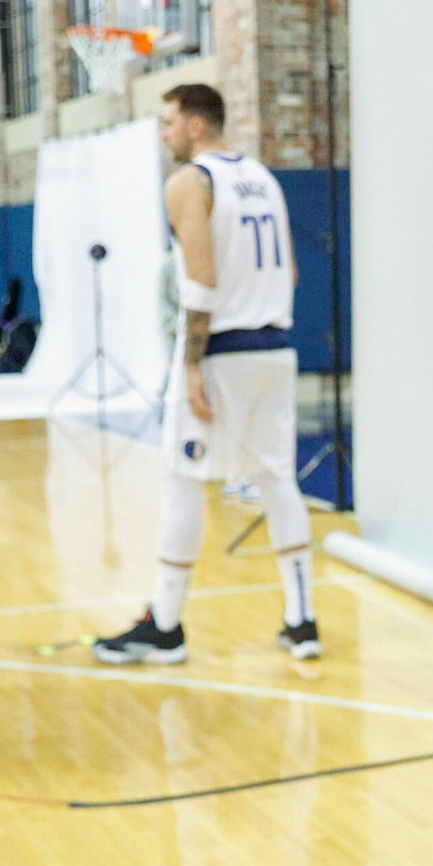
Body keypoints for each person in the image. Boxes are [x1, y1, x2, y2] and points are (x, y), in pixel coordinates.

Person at [94, 84, 320, 665]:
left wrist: (191, 361)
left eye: (168, 122)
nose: (164, 134)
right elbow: (290, 271)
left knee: (181, 479)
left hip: (223, 351)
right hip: (277, 346)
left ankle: (164, 627)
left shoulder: (190, 182)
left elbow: (199, 280)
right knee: (278, 479)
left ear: (195, 125)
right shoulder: (264, 178)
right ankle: (302, 620)